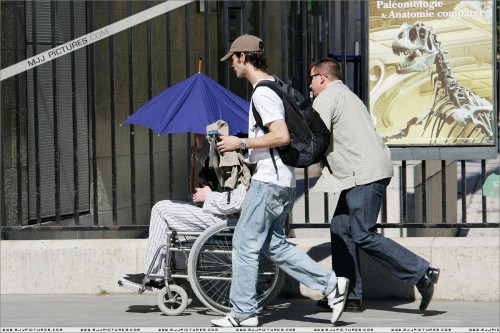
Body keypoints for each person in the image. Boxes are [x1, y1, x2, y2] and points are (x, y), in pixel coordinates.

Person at [210, 34, 349, 328]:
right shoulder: (273, 85)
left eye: (233, 59)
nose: (232, 65)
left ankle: (243, 313)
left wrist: (242, 143)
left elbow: (281, 136)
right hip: (282, 181)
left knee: (244, 245)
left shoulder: (262, 93)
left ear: (243, 58)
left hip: (269, 182)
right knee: (274, 246)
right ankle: (331, 285)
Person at [309, 57, 440, 312]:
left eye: (312, 79)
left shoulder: (327, 96)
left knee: (361, 232)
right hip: (360, 172)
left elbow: (314, 134)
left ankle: (422, 273)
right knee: (340, 227)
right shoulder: (347, 94)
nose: (310, 86)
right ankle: (350, 295)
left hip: (363, 173)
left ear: (322, 77)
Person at [122, 135, 247, 288]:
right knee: (163, 209)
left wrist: (209, 196)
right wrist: (200, 139)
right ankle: (157, 273)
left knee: (161, 210)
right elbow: (210, 161)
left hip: (227, 218)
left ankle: (155, 274)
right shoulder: (234, 156)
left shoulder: (244, 161)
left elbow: (237, 202)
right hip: (219, 213)